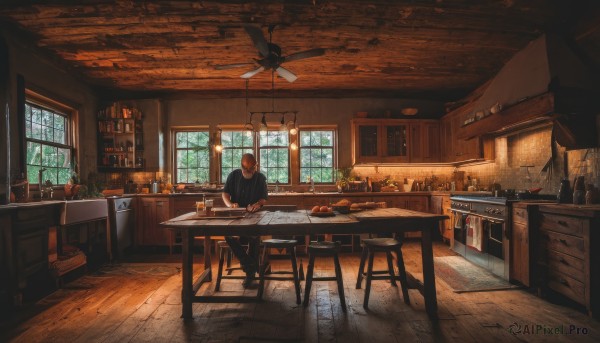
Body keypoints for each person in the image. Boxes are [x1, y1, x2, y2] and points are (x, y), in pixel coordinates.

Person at [222, 153, 268, 287]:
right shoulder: (233, 175)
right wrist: (230, 205)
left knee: (254, 236)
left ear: (256, 166)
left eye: (251, 169)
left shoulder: (260, 178)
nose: (248, 172)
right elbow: (225, 194)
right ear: (241, 166)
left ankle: (250, 274)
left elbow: (263, 198)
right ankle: (250, 266)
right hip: (235, 215)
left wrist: (257, 205)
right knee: (228, 235)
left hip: (253, 215)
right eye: (245, 169)